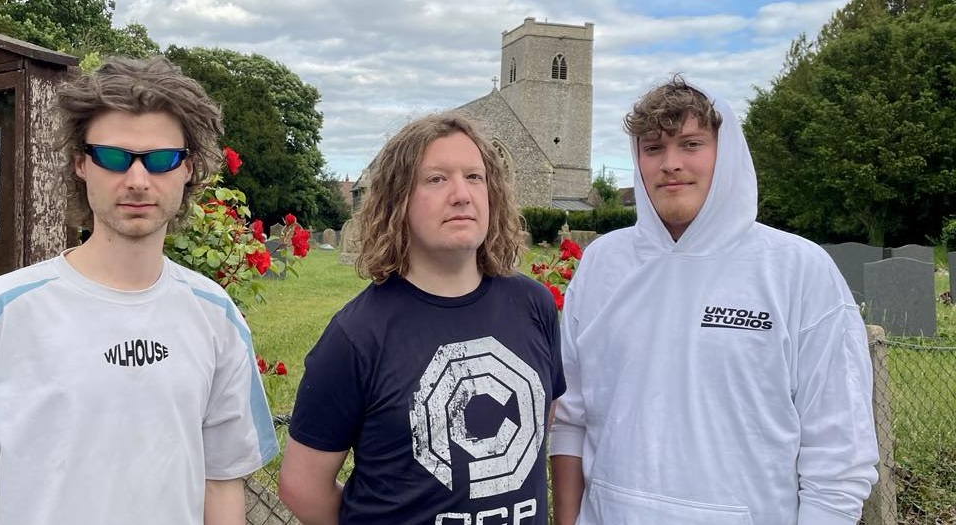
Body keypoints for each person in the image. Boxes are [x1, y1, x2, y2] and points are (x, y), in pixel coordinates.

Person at [0, 56, 278, 525]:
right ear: (81, 163)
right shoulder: (4, 313)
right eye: (114, 157)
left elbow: (221, 483)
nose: (137, 181)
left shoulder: (215, 316)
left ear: (188, 169)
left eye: (161, 159)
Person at [549, 75, 879, 524]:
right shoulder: (602, 264)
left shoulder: (798, 270)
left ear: (726, 153)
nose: (671, 164)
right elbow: (571, 420)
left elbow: (840, 455)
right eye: (653, 148)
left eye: (691, 144)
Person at [278, 113, 564, 524]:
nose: (462, 194)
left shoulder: (534, 305)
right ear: (399, 201)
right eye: (436, 179)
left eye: (474, 177)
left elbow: (545, 416)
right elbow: (302, 486)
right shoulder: (357, 335)